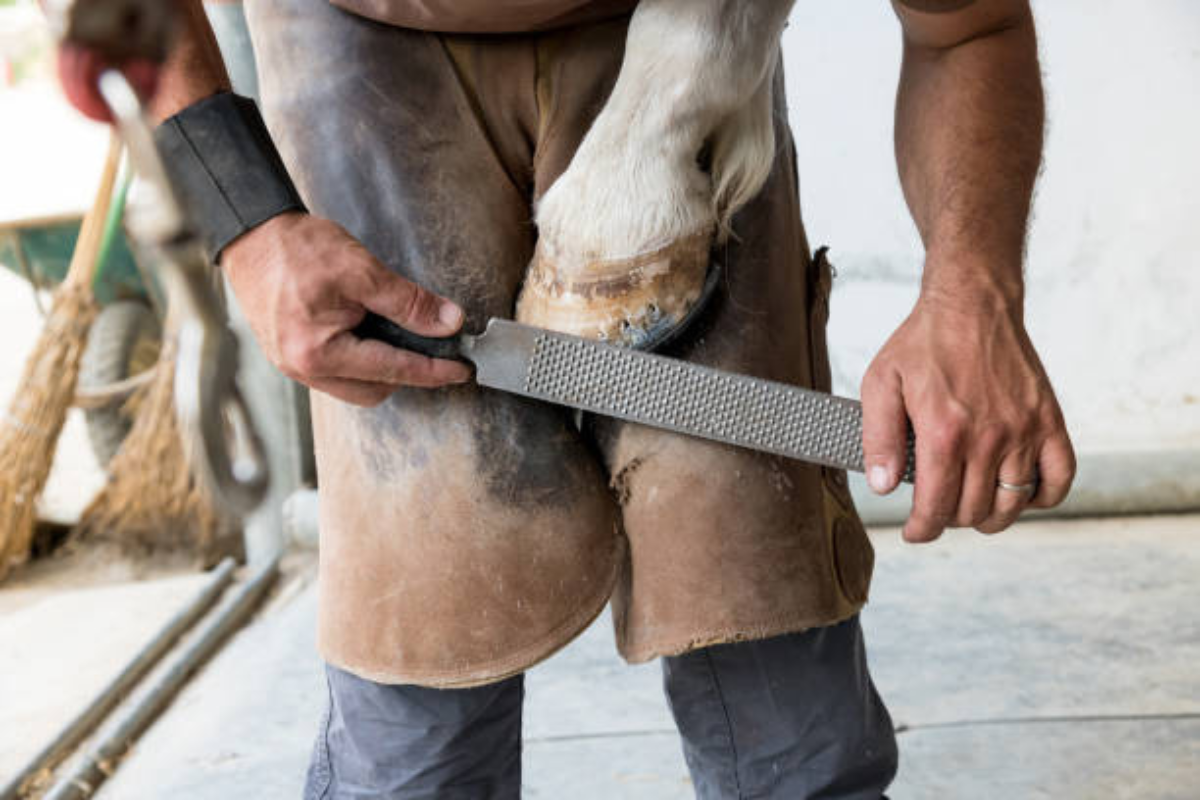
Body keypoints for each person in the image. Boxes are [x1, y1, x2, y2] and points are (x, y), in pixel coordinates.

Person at [117, 0, 1076, 796]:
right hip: (361, 44)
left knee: (774, 663)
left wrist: (972, 292)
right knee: (421, 693)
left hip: (682, 37)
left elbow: (966, 27)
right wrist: (242, 215)